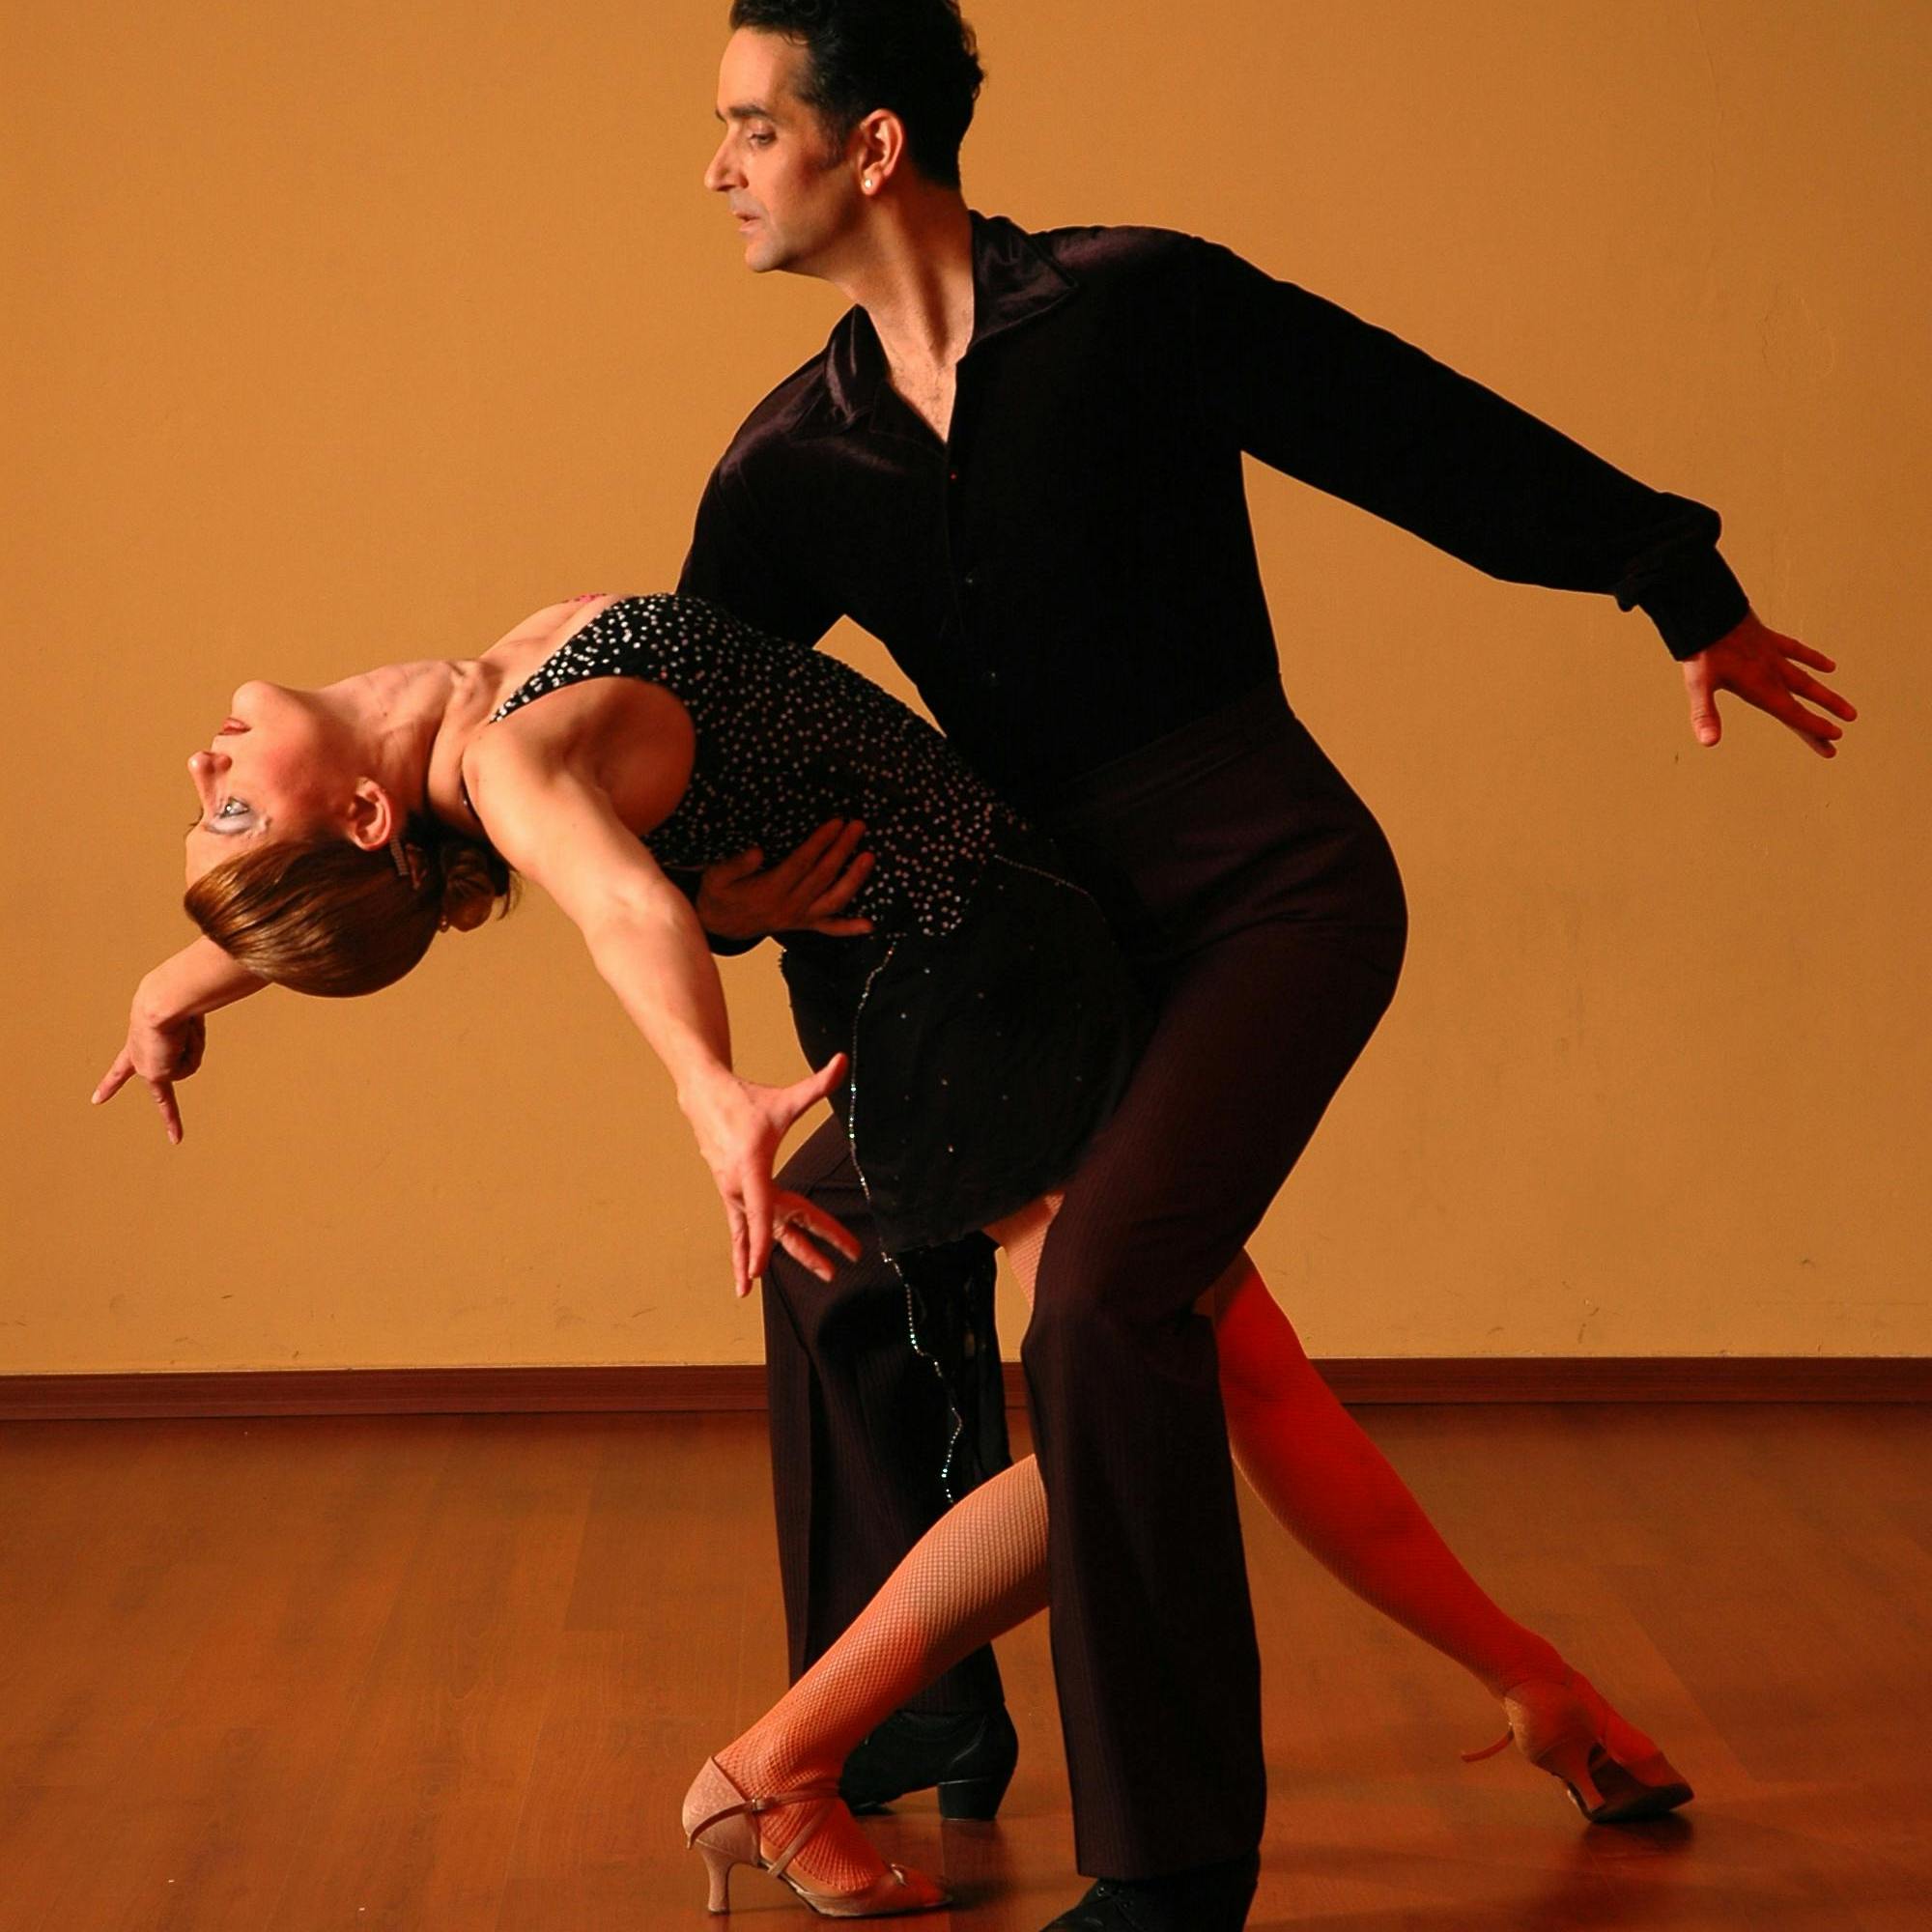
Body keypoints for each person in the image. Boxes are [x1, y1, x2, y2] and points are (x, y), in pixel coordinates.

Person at [673, 5, 1856, 1925]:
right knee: (839, 1252)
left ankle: (1170, 1874)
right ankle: (927, 1722)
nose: (716, 166)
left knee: (1101, 1314)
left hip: (1268, 889)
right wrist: (746, 896)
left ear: (871, 145)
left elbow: (1407, 428)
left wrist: (1674, 579)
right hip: (1045, 944)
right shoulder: (790, 463)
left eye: (747, 124)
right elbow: (697, 744)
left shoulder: (1128, 307)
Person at [95, 589, 1690, 1920]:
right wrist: (707, 1086)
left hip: (982, 974)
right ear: (363, 812)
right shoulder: (507, 767)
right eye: (225, 805)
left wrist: (180, 985)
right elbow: (624, 910)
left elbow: (434, 878)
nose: (202, 758)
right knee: (1159, 1401)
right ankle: (780, 1764)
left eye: (214, 803)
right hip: (976, 993)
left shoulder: (465, 757)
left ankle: (1539, 1692)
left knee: (1221, 1379)